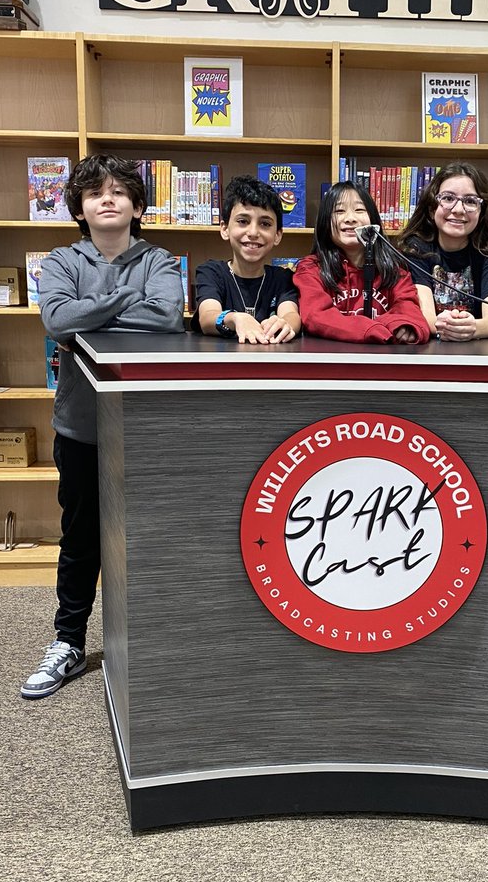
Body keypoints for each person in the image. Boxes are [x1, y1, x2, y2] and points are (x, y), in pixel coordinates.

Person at [21, 155, 185, 699]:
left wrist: (90, 311)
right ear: (80, 207)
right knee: (81, 538)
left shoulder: (158, 258)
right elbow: (56, 321)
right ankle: (68, 641)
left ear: (138, 206)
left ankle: (147, 638)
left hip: (148, 425)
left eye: (119, 192)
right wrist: (121, 303)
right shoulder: (62, 260)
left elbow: (166, 316)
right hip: (81, 425)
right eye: (95, 193)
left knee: (150, 536)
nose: (107, 200)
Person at [396, 162, 488, 341]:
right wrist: (448, 328)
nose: (458, 210)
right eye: (448, 198)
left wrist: (470, 328)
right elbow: (426, 317)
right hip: (427, 353)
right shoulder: (416, 248)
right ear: (433, 208)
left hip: (479, 353)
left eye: (470, 201)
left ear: (482, 211)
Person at [293, 181, 430, 344]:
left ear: (373, 220)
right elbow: (315, 316)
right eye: (339, 211)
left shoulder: (394, 266)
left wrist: (403, 326)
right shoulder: (311, 268)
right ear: (325, 223)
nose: (350, 218)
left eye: (359, 210)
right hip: (330, 362)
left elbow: (408, 307)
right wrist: (370, 329)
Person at [192, 175, 300, 343]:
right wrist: (235, 319)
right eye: (243, 221)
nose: (253, 233)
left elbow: (291, 314)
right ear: (225, 229)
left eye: (265, 224)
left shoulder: (283, 277)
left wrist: (284, 324)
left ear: (277, 235)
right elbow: (207, 317)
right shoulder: (211, 272)